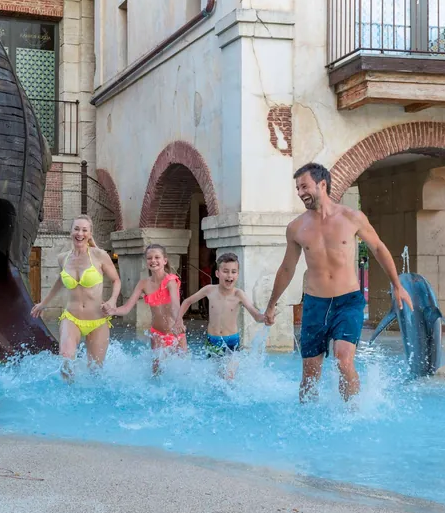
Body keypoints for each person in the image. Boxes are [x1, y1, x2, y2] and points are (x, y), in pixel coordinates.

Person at [264, 163, 413, 402]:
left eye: (305, 186)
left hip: (348, 301)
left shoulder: (352, 217)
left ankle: (351, 414)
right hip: (315, 304)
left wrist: (397, 285)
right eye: (298, 188)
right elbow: (287, 268)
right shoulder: (296, 228)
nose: (300, 192)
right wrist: (272, 304)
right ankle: (307, 420)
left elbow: (378, 248)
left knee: (344, 359)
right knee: (310, 373)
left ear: (322, 184)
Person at [31, 215, 120, 381]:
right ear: (71, 232)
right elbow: (60, 281)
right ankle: (67, 398)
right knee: (66, 359)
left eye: (84, 230)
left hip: (98, 321)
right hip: (71, 318)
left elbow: (116, 280)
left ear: (90, 234)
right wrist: (44, 303)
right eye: (77, 229)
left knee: (96, 371)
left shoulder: (99, 255)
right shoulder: (62, 258)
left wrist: (112, 300)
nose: (80, 233)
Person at [176, 252, 266, 380]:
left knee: (229, 377)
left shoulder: (238, 294)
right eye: (226, 271)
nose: (230, 275)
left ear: (238, 274)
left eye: (233, 272)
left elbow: (255, 314)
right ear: (218, 273)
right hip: (212, 341)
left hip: (231, 341)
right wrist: (179, 319)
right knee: (214, 377)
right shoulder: (209, 290)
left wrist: (264, 318)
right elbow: (187, 301)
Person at [104, 244, 187, 375]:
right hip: (156, 334)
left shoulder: (171, 280)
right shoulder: (143, 284)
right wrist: (112, 311)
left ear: (164, 260)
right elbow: (126, 308)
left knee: (182, 373)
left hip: (175, 332)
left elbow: (176, 305)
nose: (153, 260)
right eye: (149, 258)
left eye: (157, 257)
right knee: (156, 373)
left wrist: (179, 321)